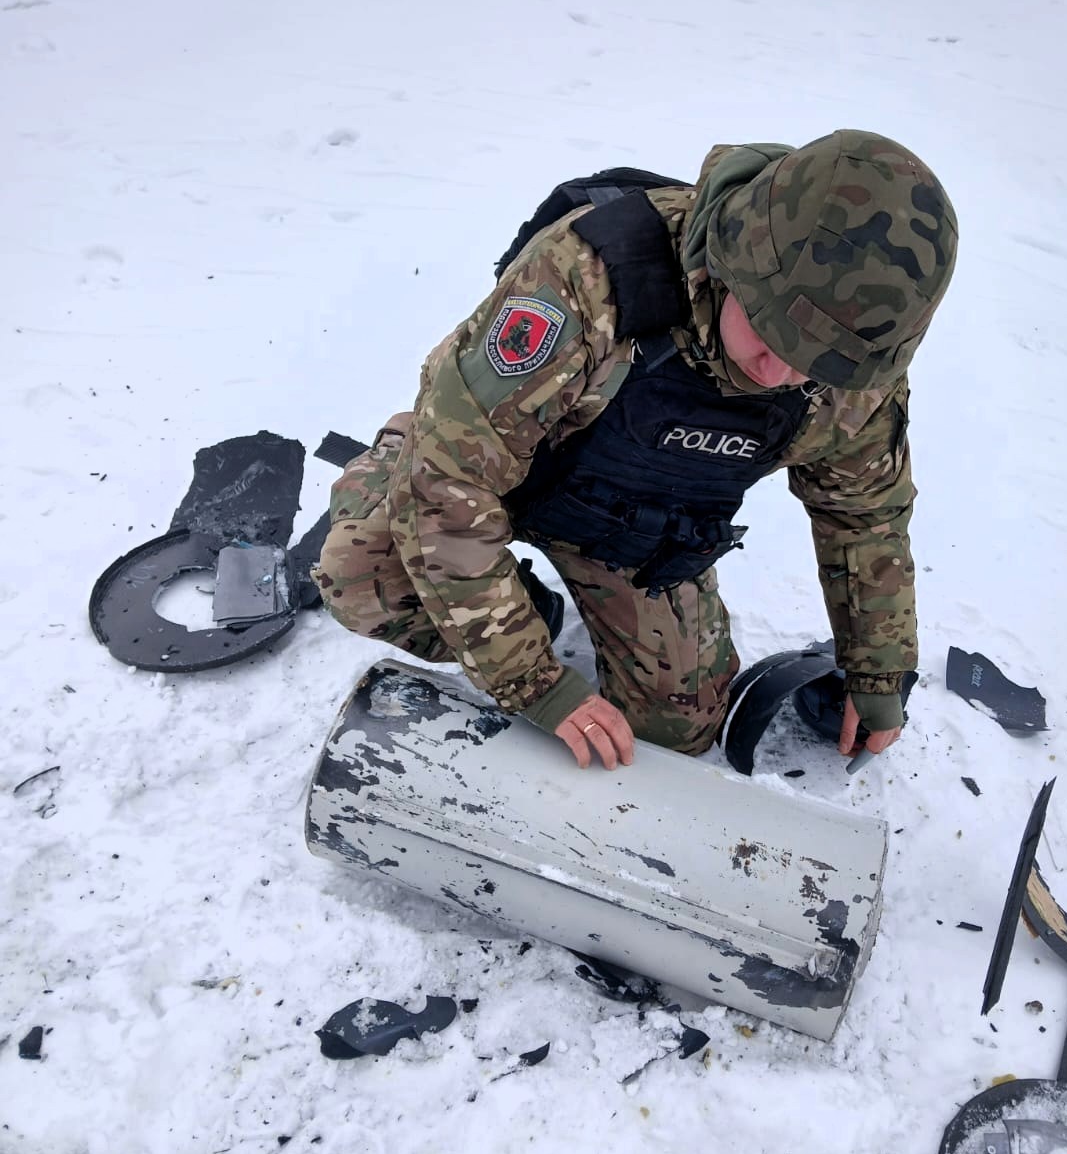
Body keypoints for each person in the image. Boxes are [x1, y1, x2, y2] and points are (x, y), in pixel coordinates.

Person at [314, 130, 958, 771]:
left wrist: (877, 672)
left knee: (678, 728)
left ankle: (516, 603)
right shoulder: (587, 281)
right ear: (735, 261)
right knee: (363, 580)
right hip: (494, 475)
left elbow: (863, 514)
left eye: (819, 363)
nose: (782, 372)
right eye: (771, 332)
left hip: (629, 527)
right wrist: (535, 682)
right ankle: (401, 458)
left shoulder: (853, 369)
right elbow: (449, 487)